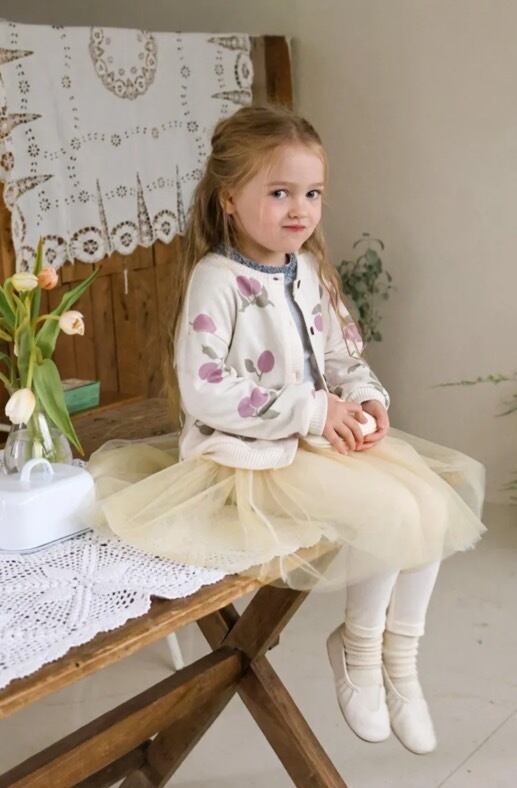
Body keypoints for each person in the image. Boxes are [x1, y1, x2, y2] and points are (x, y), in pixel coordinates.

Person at [87, 104, 486, 755]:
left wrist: (364, 397)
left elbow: (341, 357)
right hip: (246, 457)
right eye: (279, 193)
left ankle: (399, 657)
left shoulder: (308, 269)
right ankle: (359, 649)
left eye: (312, 193)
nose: (299, 209)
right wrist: (313, 411)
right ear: (229, 200)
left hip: (309, 441)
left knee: (433, 497)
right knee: (390, 508)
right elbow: (204, 389)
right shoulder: (217, 280)